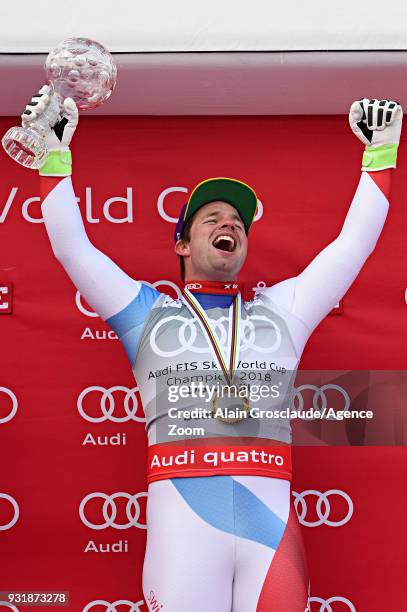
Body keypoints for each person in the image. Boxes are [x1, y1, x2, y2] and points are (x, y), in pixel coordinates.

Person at [21, 88, 402, 611]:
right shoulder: (146, 313)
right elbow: (72, 246)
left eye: (239, 222)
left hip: (268, 528)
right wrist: (52, 157)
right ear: (182, 244)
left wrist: (381, 153)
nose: (231, 224)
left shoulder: (282, 309)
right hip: (183, 528)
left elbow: (351, 246)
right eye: (213, 218)